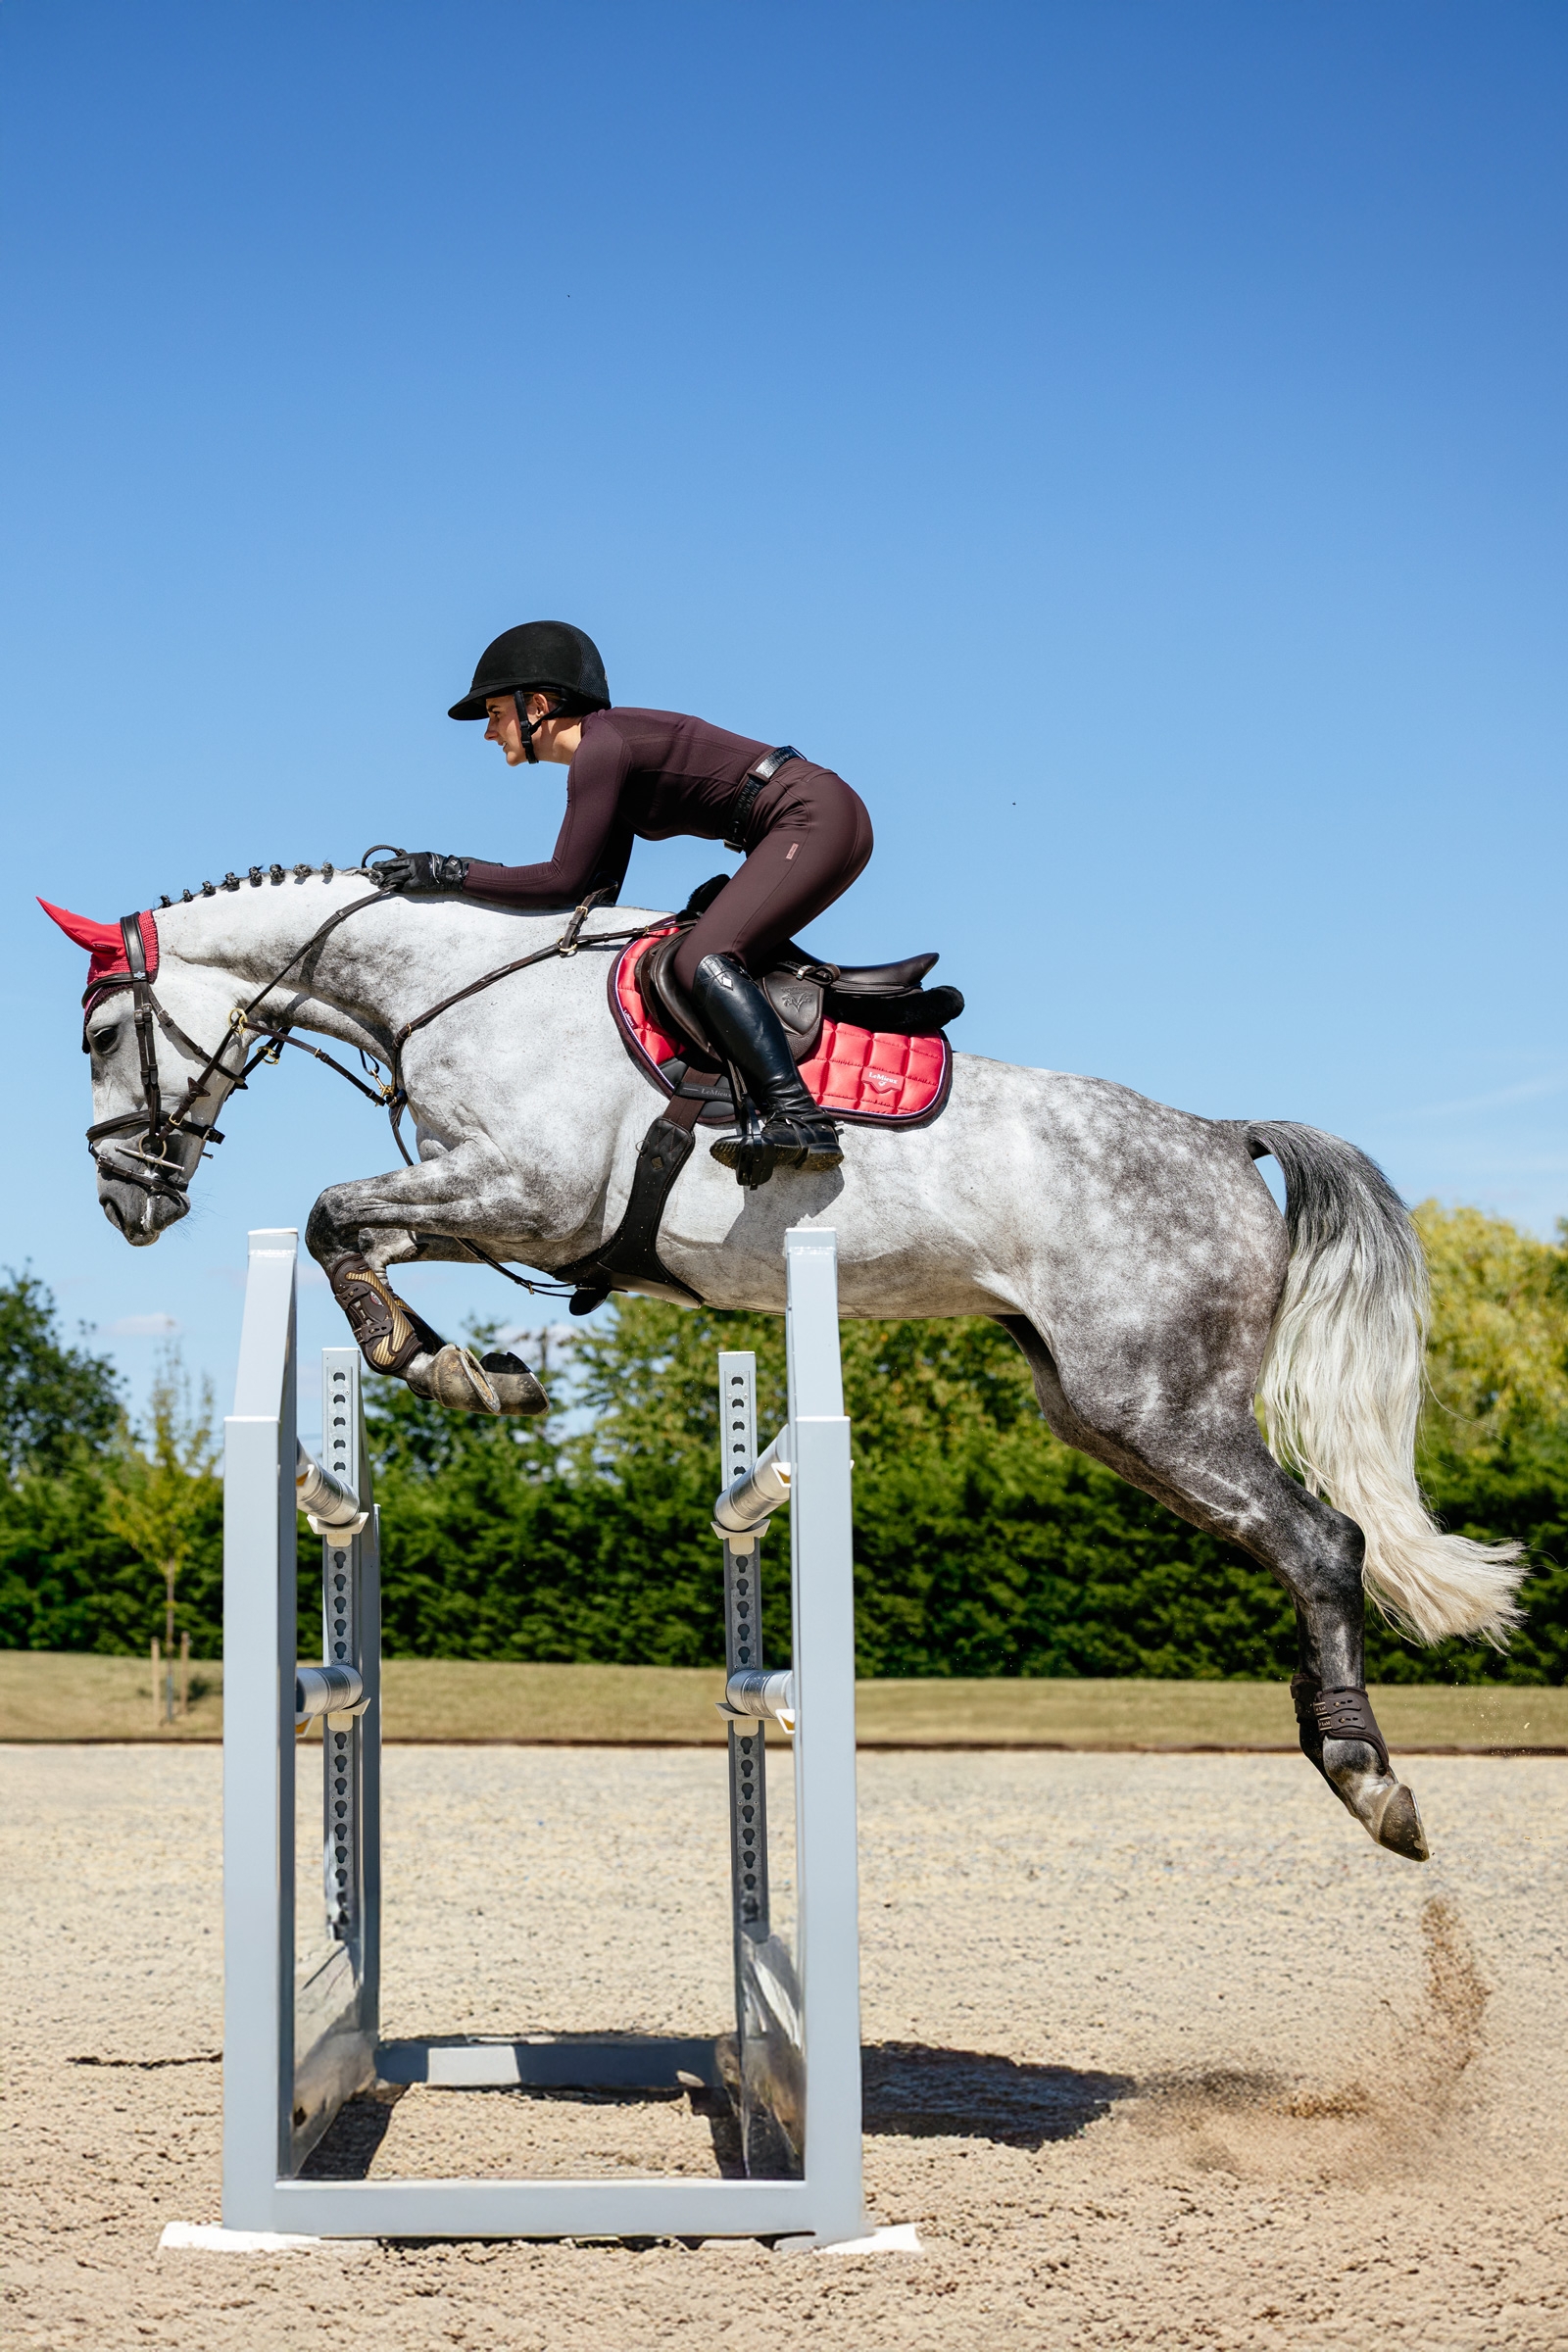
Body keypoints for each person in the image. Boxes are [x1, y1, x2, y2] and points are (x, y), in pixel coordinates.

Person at [375, 620, 872, 1176]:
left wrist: (448, 871)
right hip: (813, 817)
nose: (490, 733)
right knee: (692, 938)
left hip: (811, 818)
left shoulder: (602, 749)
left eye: (495, 715)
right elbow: (590, 894)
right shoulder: (609, 753)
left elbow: (559, 879)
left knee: (701, 958)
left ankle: (798, 1115)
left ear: (537, 704)